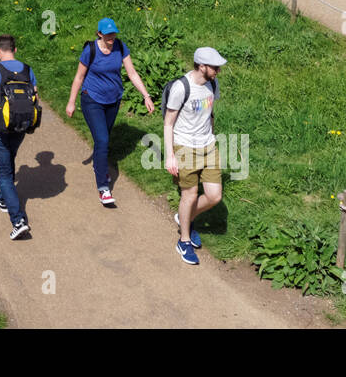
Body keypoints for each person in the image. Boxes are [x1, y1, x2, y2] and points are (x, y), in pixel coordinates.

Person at [66, 17, 154, 207]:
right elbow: (79, 77)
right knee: (103, 140)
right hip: (92, 100)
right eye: (107, 35)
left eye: (113, 33)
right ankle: (103, 188)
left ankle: (98, 165)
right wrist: (71, 102)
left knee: (102, 139)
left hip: (113, 100)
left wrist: (146, 95)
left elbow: (132, 73)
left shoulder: (120, 47)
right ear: (99, 34)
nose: (111, 37)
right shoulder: (90, 51)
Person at [166, 47, 227, 266]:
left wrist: (211, 135)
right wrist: (170, 156)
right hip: (185, 147)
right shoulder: (181, 88)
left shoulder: (212, 84)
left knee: (214, 196)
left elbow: (210, 113)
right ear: (201, 66)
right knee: (189, 195)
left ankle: (185, 218)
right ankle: (184, 240)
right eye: (214, 67)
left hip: (208, 146)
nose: (218, 70)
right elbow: (168, 123)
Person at [0, 35, 37, 240]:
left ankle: (18, 220)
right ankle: (2, 198)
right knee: (9, 160)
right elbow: (34, 96)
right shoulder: (28, 70)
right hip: (21, 126)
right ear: (15, 49)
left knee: (3, 173)